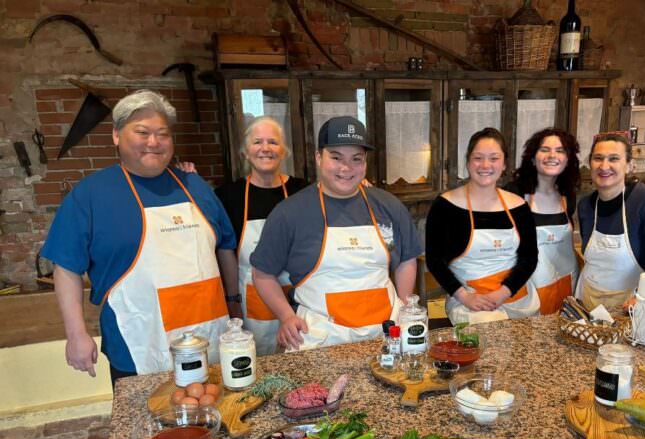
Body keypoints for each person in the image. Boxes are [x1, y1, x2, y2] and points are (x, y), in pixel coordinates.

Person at [41, 90, 238, 383]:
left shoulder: (194, 186)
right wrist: (76, 335)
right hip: (137, 345)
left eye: (163, 134)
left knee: (216, 419)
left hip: (210, 337)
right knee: (144, 426)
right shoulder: (91, 195)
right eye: (142, 132)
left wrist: (234, 304)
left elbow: (224, 248)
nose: (154, 142)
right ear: (117, 135)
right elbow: (66, 267)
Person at [250, 116, 422, 351]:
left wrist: (404, 306)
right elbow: (262, 274)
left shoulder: (388, 205)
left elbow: (406, 259)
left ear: (365, 163)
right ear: (319, 158)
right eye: (336, 157)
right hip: (321, 339)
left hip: (384, 336)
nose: (346, 168)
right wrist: (286, 316)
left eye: (356, 159)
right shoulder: (290, 213)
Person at [425, 127, 539, 325]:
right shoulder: (445, 206)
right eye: (478, 158)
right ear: (468, 162)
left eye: (494, 158)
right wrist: (464, 297)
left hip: (518, 299)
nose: (485, 165)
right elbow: (434, 261)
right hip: (470, 302)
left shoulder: (518, 206)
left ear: (504, 164)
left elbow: (529, 258)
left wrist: (503, 293)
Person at [214, 117, 308, 355]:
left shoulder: (303, 191)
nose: (265, 148)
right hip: (251, 302)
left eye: (273, 142)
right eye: (257, 142)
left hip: (299, 299)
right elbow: (226, 252)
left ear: (284, 151)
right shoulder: (228, 195)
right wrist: (232, 300)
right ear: (245, 152)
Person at [576, 132, 645, 310]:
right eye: (598, 158)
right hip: (588, 300)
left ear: (629, 166)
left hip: (629, 306)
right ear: (590, 164)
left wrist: (643, 297)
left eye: (614, 159)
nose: (604, 166)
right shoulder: (585, 205)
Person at [506, 128, 581, 315]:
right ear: (532, 158)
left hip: (566, 284)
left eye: (560, 150)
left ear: (568, 159)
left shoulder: (567, 196)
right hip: (528, 289)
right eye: (544, 149)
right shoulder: (513, 194)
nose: (552, 155)